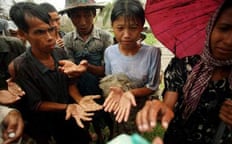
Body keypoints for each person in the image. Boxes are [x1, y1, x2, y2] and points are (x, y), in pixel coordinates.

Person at [136, 0, 232, 143]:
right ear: (210, 27)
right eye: (224, 28)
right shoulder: (184, 64)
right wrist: (160, 109)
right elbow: (169, 104)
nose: (230, 41)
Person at [9, 2, 102, 144]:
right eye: (39, 32)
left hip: (71, 114)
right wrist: (67, 107)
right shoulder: (20, 66)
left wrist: (79, 100)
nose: (50, 37)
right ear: (23, 34)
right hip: (46, 124)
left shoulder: (59, 52)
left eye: (51, 30)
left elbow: (70, 85)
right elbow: (36, 104)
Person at [103, 0, 161, 137]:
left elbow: (152, 87)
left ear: (142, 27)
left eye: (133, 28)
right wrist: (115, 91)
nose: (127, 34)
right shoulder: (109, 52)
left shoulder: (152, 53)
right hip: (117, 105)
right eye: (120, 28)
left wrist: (130, 93)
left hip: (138, 107)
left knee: (134, 136)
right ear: (112, 26)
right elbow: (109, 79)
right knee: (118, 134)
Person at [60, 0, 114, 143]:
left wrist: (87, 67)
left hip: (101, 84)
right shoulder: (67, 40)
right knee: (86, 115)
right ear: (70, 17)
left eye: (87, 16)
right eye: (77, 17)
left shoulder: (105, 37)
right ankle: (93, 134)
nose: (83, 22)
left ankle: (109, 134)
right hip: (79, 86)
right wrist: (74, 70)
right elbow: (69, 67)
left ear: (94, 14)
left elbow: (107, 70)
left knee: (106, 114)